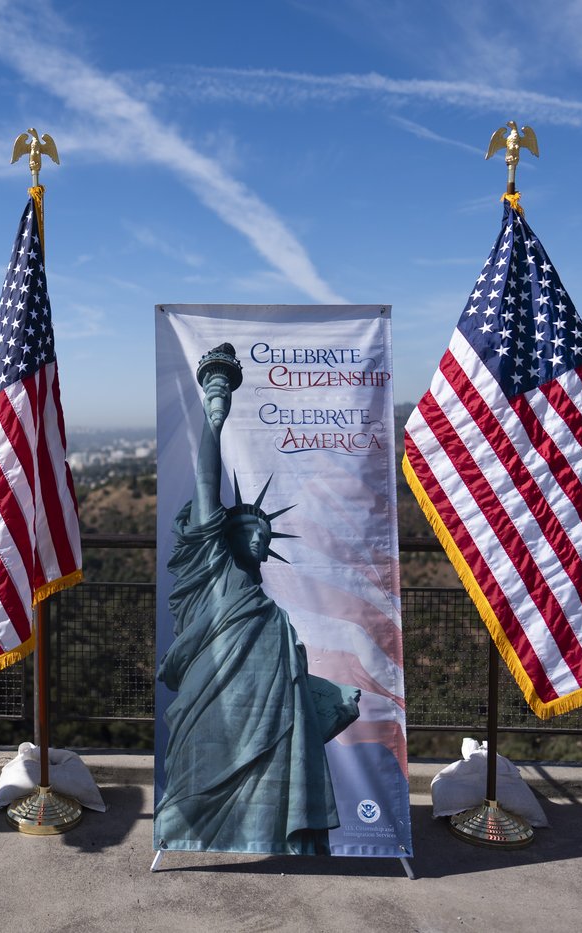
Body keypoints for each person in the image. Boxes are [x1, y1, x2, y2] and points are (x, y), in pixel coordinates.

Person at [155, 343, 361, 855]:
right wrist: (215, 416)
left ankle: (274, 838)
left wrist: (331, 698)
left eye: (264, 535)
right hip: (214, 699)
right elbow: (207, 486)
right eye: (247, 529)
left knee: (274, 777)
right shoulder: (213, 570)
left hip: (269, 714)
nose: (257, 538)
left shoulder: (268, 608)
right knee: (196, 785)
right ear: (224, 537)